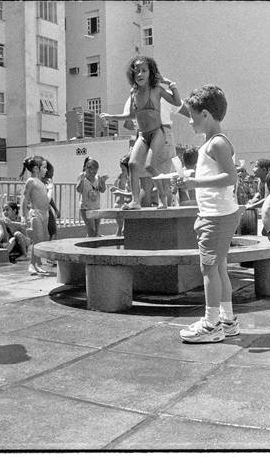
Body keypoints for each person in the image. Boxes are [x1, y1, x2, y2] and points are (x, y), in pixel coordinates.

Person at [174, 85, 241, 344]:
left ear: (205, 115)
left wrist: (195, 184)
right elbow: (217, 174)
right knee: (219, 268)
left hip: (216, 216)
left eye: (192, 116)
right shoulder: (211, 143)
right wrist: (193, 178)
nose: (189, 121)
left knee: (209, 269)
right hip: (217, 214)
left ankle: (211, 324)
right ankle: (227, 320)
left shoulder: (218, 143)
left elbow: (230, 177)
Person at [100, 56, 181, 210]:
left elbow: (177, 102)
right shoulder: (134, 92)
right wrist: (112, 117)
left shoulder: (157, 90)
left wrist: (170, 83)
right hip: (143, 135)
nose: (140, 74)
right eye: (136, 71)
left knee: (150, 165)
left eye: (144, 71)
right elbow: (131, 115)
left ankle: (163, 197)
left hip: (157, 133)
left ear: (151, 73)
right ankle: (135, 201)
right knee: (132, 164)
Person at [19, 155, 52, 276]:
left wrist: (50, 190)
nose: (46, 170)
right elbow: (25, 199)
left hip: (45, 214)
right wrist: (24, 215)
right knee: (37, 239)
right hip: (36, 213)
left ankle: (37, 264)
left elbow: (47, 200)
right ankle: (32, 264)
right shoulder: (31, 181)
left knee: (43, 238)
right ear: (36, 169)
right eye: (44, 167)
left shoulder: (42, 183)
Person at [76, 157, 107, 237]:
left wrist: (103, 182)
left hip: (96, 207)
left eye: (94, 170)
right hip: (85, 208)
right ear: (86, 168)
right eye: (90, 169)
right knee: (91, 231)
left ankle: (92, 247)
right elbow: (79, 190)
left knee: (96, 232)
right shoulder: (82, 176)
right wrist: (82, 180)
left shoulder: (98, 178)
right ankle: (90, 248)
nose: (92, 172)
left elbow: (102, 190)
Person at [110, 155, 133, 236]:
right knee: (122, 230)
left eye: (123, 169)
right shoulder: (128, 177)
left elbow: (134, 194)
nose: (121, 171)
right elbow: (127, 191)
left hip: (130, 207)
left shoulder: (133, 179)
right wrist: (117, 189)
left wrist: (119, 193)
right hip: (126, 206)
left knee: (124, 230)